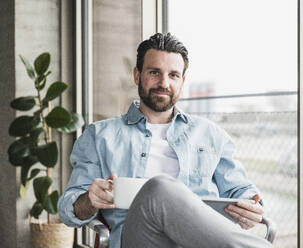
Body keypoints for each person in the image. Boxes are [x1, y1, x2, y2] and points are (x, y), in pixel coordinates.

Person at [58, 33, 272, 248]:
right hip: (139, 239)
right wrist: (90, 199)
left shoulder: (210, 134)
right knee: (160, 188)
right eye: (154, 72)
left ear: (183, 81)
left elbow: (242, 191)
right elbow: (69, 209)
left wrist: (251, 206)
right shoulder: (99, 136)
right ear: (137, 75)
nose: (164, 83)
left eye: (173, 75)